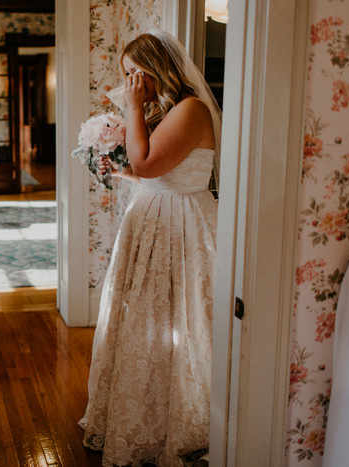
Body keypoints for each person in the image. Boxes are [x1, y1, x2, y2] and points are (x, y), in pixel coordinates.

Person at [79, 30, 222, 467]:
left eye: (132, 74)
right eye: (126, 76)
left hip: (180, 225)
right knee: (144, 324)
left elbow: (146, 161)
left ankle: (178, 421)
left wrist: (135, 110)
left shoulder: (191, 109)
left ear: (154, 67)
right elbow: (149, 171)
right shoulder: (168, 111)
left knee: (180, 322)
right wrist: (115, 169)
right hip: (153, 218)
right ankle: (140, 414)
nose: (128, 84)